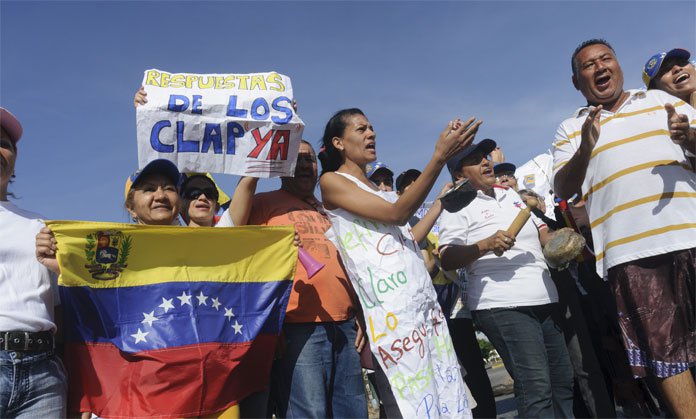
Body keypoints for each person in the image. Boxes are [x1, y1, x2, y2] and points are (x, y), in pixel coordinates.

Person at [553, 38, 696, 417]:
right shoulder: (570, 128)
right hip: (629, 254)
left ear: (618, 65)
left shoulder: (661, 102)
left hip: (691, 234)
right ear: (576, 81)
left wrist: (692, 139)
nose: (600, 67)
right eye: (589, 64)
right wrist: (585, 147)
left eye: (606, 59)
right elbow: (563, 189)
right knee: (667, 355)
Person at [318, 108, 482, 417]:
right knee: (412, 402)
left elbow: (405, 236)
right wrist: (439, 157)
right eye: (361, 129)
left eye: (372, 128)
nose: (371, 134)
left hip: (421, 307)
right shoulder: (331, 182)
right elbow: (398, 215)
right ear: (338, 143)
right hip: (392, 317)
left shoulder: (378, 191)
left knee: (444, 396)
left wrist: (441, 203)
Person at [228, 140, 368, 419]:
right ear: (282, 167)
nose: (305, 164)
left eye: (310, 159)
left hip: (345, 326)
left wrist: (362, 313)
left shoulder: (330, 209)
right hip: (295, 328)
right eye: (297, 158)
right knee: (308, 413)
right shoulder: (262, 203)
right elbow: (233, 234)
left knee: (353, 411)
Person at [437, 138, 574, 418]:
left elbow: (540, 232)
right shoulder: (454, 205)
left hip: (544, 296)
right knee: (536, 387)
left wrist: (559, 241)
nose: (486, 161)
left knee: (562, 381)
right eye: (475, 160)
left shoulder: (510, 194)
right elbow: (447, 256)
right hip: (501, 304)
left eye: (485, 156)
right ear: (459, 175)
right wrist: (485, 244)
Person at [396, 170, 497, 419]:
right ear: (399, 194)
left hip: (456, 302)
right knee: (445, 372)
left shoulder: (440, 213)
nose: (414, 188)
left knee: (472, 365)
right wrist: (436, 258)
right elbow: (425, 266)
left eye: (417, 183)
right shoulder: (402, 222)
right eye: (408, 186)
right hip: (428, 309)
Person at [0, 107, 67, 418]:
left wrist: (60, 265)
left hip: (43, 374)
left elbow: (63, 306)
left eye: (5, 143)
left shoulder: (42, 226)